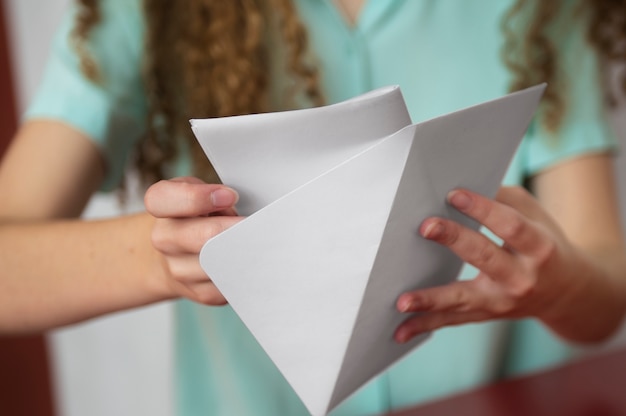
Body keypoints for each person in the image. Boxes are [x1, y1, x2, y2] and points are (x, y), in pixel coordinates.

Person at [0, 0, 625, 415]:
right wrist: (164, 258)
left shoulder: (537, 9)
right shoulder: (149, 12)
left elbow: (604, 294)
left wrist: (557, 285)